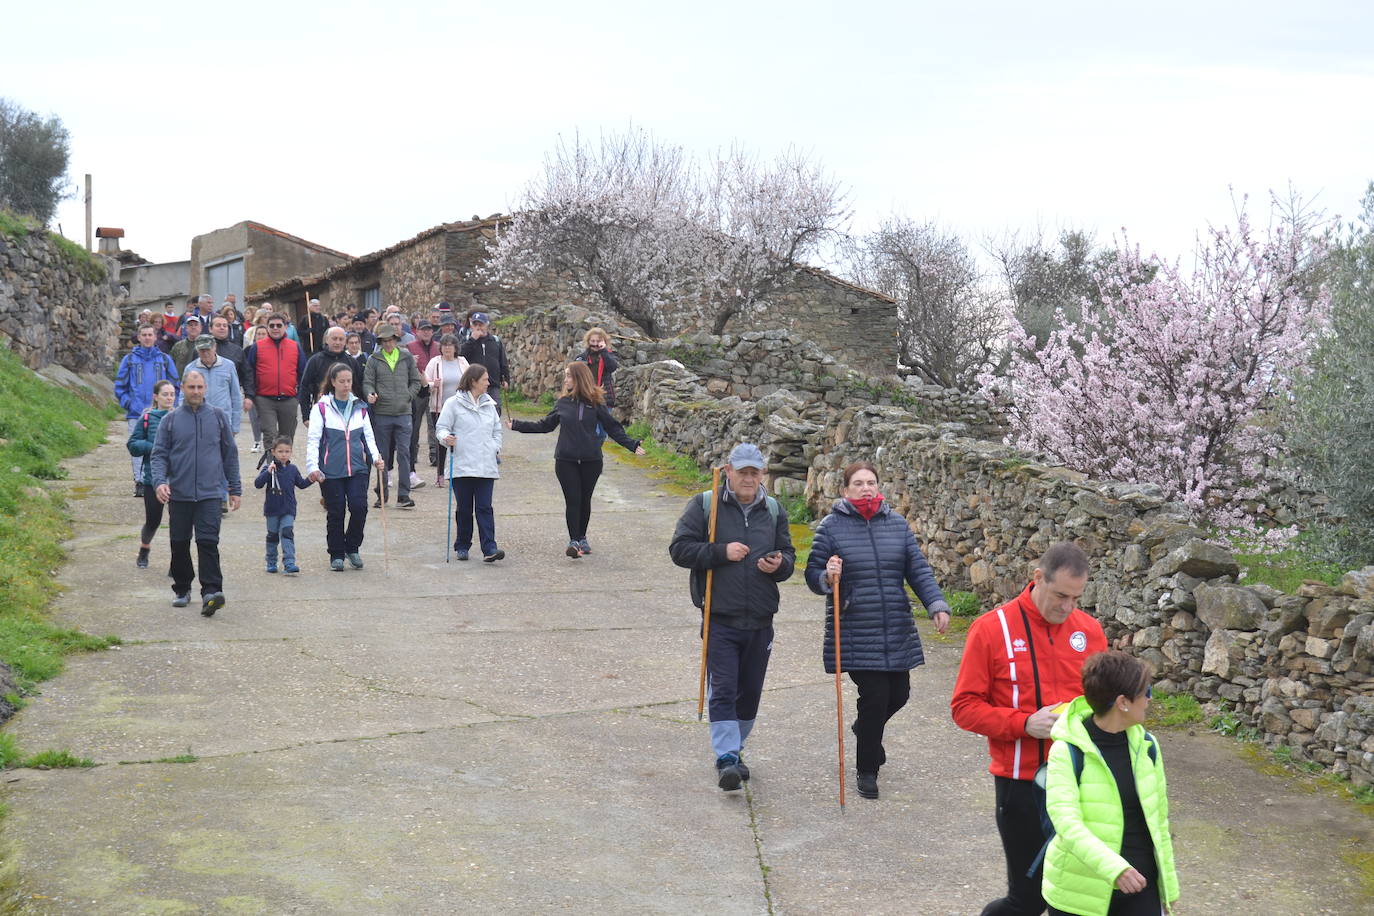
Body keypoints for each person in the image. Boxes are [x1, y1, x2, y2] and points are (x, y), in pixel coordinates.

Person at [951, 542, 1109, 916]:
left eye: (1075, 598)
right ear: (1037, 578)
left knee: (1074, 896)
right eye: (1060, 596)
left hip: (1080, 784)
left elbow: (1103, 704)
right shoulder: (991, 629)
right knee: (1028, 900)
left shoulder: (1090, 631)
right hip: (1020, 785)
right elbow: (964, 708)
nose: (1067, 607)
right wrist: (1025, 723)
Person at [804, 460, 952, 800]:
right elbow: (812, 575)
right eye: (858, 483)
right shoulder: (831, 527)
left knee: (899, 694)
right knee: (875, 698)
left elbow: (918, 570)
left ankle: (864, 731)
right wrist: (827, 576)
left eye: (870, 482)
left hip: (895, 625)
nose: (866, 488)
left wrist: (937, 605)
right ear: (845, 490)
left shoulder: (896, 524)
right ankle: (867, 770)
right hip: (856, 627)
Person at [668, 443, 794, 790]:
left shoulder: (774, 510)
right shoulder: (704, 505)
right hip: (719, 618)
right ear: (728, 472)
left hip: (761, 618)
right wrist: (721, 552)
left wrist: (779, 564)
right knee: (723, 688)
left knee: (749, 691)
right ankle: (725, 757)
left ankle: (735, 749)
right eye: (743, 472)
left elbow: (788, 556)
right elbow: (679, 549)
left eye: (755, 472)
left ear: (762, 475)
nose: (749, 478)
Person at [1042, 651, 1180, 916]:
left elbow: (1159, 822)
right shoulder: (1067, 750)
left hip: (1141, 886)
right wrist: (1115, 869)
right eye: (1146, 691)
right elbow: (1067, 824)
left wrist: (1169, 888)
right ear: (1123, 702)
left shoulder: (1148, 746)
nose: (1150, 699)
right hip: (1079, 894)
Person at [507, 362, 646, 557]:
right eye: (565, 376)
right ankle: (574, 541)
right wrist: (517, 425)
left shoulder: (596, 403)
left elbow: (613, 427)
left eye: (569, 376)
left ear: (579, 378)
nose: (565, 380)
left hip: (591, 460)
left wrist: (631, 444)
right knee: (573, 499)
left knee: (585, 500)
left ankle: (582, 537)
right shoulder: (562, 403)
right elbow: (546, 425)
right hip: (565, 460)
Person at [150, 370, 241, 616]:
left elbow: (229, 455)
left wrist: (235, 488)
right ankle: (182, 588)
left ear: (205, 389)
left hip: (211, 493)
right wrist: (160, 482)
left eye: (200, 387)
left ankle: (211, 592)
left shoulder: (218, 417)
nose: (196, 392)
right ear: (183, 388)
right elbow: (158, 454)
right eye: (191, 387)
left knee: (208, 542)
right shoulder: (170, 420)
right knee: (179, 544)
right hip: (179, 493)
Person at [306, 362, 385, 571]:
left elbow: (368, 436)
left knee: (360, 507)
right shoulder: (321, 408)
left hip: (358, 467)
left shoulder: (360, 406)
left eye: (349, 381)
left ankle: (353, 547)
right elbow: (313, 439)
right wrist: (312, 466)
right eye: (341, 381)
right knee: (336, 511)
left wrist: (376, 457)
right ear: (333, 382)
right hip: (330, 470)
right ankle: (336, 553)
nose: (346, 385)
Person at [435, 364, 504, 562]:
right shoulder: (453, 403)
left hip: (485, 465)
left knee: (484, 507)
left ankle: (490, 548)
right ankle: (462, 545)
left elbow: (497, 431)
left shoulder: (490, 405)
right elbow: (441, 428)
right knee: (464, 508)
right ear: (473, 381)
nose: (488, 383)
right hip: (461, 465)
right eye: (485, 380)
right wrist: (446, 438)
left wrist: (494, 447)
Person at [362, 323, 422, 508]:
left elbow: (416, 381)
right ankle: (382, 494)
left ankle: (403, 496)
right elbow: (367, 382)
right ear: (380, 342)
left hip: (404, 413)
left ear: (396, 340)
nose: (388, 344)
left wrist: (408, 396)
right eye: (384, 341)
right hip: (382, 413)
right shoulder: (374, 359)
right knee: (382, 456)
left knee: (404, 454)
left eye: (390, 340)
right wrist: (370, 393)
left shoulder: (406, 357)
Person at [115, 324, 179, 497]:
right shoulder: (129, 360)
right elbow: (120, 387)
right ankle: (140, 481)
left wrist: (173, 406)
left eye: (150, 334)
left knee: (164, 446)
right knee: (139, 448)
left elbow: (176, 384)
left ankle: (163, 480)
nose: (147, 338)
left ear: (155, 336)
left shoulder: (165, 359)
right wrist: (129, 404)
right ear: (139, 337)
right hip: (137, 413)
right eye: (144, 335)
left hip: (162, 413)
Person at [126, 379, 177, 567]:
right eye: (165, 394)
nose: (169, 398)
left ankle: (176, 561)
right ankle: (144, 549)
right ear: (156, 397)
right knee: (153, 520)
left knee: (178, 524)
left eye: (172, 394)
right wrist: (153, 447)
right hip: (152, 480)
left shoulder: (181, 417)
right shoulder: (146, 419)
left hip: (178, 480)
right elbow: (132, 445)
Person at [243, 313, 305, 446]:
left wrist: (298, 396)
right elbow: (249, 373)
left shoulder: (295, 347)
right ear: (267, 327)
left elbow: (302, 372)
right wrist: (252, 395)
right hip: (265, 399)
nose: (275, 328)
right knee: (270, 436)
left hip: (289, 399)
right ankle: (271, 466)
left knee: (286, 439)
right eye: (272, 326)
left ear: (285, 327)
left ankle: (283, 466)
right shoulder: (257, 347)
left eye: (279, 325)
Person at [254, 436, 312, 575]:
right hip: (272, 509)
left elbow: (301, 484)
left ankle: (289, 562)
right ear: (273, 452)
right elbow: (258, 484)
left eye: (287, 451)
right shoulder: (269, 468)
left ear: (291, 452)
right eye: (280, 451)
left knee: (287, 533)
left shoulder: (292, 469)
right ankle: (271, 561)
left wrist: (311, 479)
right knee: (272, 536)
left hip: (288, 509)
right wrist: (268, 472)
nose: (284, 454)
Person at [423, 333, 469, 486]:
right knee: (442, 441)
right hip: (439, 408)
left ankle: (459, 473)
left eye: (450, 345)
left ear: (456, 348)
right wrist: (432, 385)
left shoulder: (462, 362)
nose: (447, 348)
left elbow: (469, 380)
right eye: (444, 345)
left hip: (461, 408)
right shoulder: (435, 363)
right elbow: (425, 381)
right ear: (440, 348)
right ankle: (441, 475)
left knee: (460, 439)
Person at [183, 336, 242, 441]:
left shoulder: (229, 366)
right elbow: (183, 397)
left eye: (208, 349)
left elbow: (236, 396)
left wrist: (235, 426)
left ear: (215, 347)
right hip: (197, 422)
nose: (205, 353)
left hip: (223, 422)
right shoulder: (190, 368)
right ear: (197, 350)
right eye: (202, 350)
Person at [300, 327, 361, 421]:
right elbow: (305, 387)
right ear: (327, 340)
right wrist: (306, 416)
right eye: (334, 338)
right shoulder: (315, 361)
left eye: (341, 339)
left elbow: (359, 387)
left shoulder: (352, 362)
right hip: (323, 412)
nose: (337, 342)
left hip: (348, 413)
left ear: (345, 342)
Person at [407, 321, 441, 479]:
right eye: (423, 330)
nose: (427, 332)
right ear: (417, 332)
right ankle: (412, 457)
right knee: (414, 428)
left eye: (429, 330)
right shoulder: (409, 347)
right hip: (417, 392)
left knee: (435, 425)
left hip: (435, 391)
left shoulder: (438, 346)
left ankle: (435, 456)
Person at [460, 312, 510, 413]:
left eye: (481, 325)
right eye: (475, 325)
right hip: (473, 385)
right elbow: (461, 355)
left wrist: (506, 379)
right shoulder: (467, 341)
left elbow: (502, 362)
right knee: (474, 411)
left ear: (487, 325)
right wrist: (472, 339)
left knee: (495, 410)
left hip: (492, 384)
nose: (478, 328)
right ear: (471, 326)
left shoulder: (495, 341)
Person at [574, 327, 620, 409]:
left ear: (604, 342)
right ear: (588, 341)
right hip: (586, 396)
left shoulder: (609, 355)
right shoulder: (581, 358)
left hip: (604, 397)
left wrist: (604, 351)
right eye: (593, 341)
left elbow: (612, 367)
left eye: (598, 341)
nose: (595, 344)